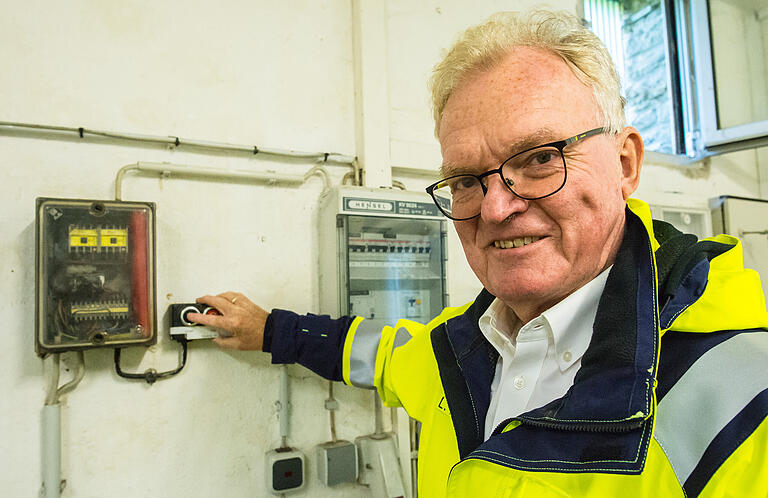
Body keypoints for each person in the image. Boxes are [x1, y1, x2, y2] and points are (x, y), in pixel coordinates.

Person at [189, 9, 768, 497]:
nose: (494, 209)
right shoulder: (460, 349)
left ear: (624, 165)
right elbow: (383, 356)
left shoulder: (743, 396)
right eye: (466, 179)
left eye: (540, 158)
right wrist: (271, 330)